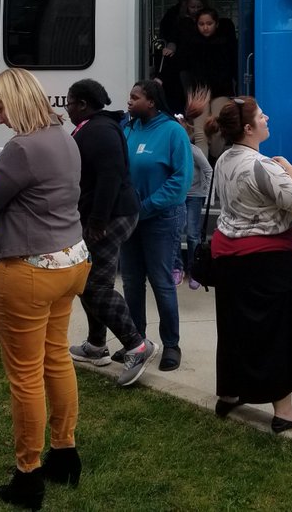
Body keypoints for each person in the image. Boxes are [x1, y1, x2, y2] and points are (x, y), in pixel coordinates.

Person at [0, 68, 90, 510]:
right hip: (70, 260)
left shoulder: (21, 148)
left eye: (0, 108)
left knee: (25, 375)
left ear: (17, 102)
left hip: (29, 268)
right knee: (56, 357)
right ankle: (65, 452)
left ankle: (28, 473)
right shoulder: (65, 135)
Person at [206, 96, 292, 433]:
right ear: (249, 128)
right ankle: (284, 409)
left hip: (227, 257)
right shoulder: (262, 165)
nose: (267, 117)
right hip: (267, 261)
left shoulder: (223, 159)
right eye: (261, 115)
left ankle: (231, 391)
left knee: (234, 328)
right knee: (278, 331)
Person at [64, 79, 156, 388]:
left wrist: (97, 222)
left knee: (94, 287)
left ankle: (136, 346)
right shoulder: (96, 127)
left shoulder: (99, 131)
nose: (67, 108)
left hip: (112, 216)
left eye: (70, 103)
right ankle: (96, 345)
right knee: (87, 280)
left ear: (83, 105)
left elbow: (110, 177)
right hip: (106, 215)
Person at [122, 79, 192, 372]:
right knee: (131, 282)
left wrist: (145, 207)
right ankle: (137, 343)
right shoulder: (127, 129)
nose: (129, 102)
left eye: (134, 97)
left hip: (160, 220)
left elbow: (180, 182)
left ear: (151, 102)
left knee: (162, 283)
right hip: (128, 221)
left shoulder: (173, 132)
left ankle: (171, 345)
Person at [180, 7, 236, 159]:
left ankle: (214, 165)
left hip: (219, 90)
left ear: (216, 24)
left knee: (217, 129)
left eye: (209, 23)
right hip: (201, 92)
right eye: (201, 24)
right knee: (200, 133)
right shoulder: (191, 44)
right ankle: (205, 170)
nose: (205, 27)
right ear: (196, 25)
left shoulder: (225, 43)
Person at [157, 0, 206, 113]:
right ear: (186, 7)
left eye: (199, 7)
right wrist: (170, 48)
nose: (195, 10)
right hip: (185, 62)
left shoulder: (206, 21)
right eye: (192, 7)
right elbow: (174, 39)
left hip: (202, 61)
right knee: (188, 92)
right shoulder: (182, 22)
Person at [177, 118, 213, 290]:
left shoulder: (194, 151)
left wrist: (206, 192)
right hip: (177, 196)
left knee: (192, 234)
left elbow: (208, 170)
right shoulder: (172, 150)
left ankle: (194, 270)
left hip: (193, 196)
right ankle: (177, 268)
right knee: (175, 232)